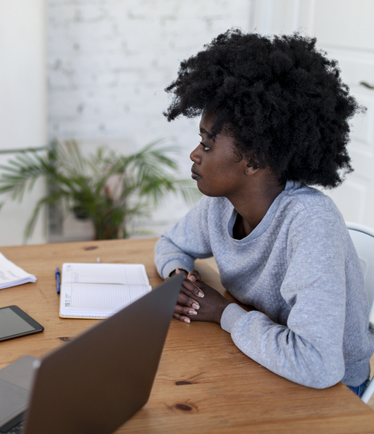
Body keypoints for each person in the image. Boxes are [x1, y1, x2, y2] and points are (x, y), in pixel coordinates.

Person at [155, 30, 374, 395]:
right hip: (268, 356)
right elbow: (171, 242)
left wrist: (223, 312)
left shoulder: (309, 223)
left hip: (331, 394)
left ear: (254, 160)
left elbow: (318, 365)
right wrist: (179, 276)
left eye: (207, 144)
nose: (195, 154)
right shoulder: (220, 204)